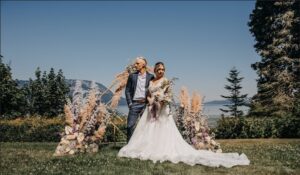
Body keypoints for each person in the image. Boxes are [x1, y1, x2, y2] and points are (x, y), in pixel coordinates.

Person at [118, 62, 250, 168]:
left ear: (164, 71)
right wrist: (151, 101)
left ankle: (162, 149)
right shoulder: (151, 81)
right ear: (155, 71)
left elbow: (169, 95)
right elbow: (148, 94)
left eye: (162, 69)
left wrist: (163, 100)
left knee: (162, 130)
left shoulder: (166, 81)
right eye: (158, 69)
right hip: (151, 108)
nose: (160, 71)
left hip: (162, 110)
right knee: (148, 129)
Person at [125, 57, 154, 142]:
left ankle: (143, 146)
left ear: (143, 64)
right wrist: (130, 103)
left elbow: (153, 91)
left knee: (145, 127)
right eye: (136, 63)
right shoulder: (132, 76)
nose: (135, 65)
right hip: (134, 104)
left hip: (145, 104)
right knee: (130, 126)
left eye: (137, 63)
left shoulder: (151, 77)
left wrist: (150, 103)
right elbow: (127, 90)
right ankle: (129, 146)